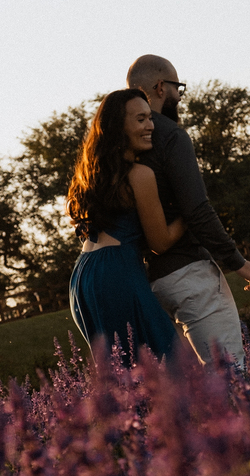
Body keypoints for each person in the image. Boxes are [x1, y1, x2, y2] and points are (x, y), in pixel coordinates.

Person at [126, 55, 250, 367]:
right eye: (177, 87)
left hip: (151, 281)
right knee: (230, 374)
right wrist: (237, 261)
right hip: (189, 274)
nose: (179, 95)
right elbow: (197, 209)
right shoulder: (170, 134)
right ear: (161, 87)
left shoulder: (121, 143)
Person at [66, 88, 184, 363]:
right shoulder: (139, 175)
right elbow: (161, 242)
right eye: (140, 119)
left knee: (123, 375)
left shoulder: (92, 175)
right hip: (116, 272)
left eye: (150, 118)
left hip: (84, 275)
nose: (150, 126)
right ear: (119, 127)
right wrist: (190, 214)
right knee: (168, 363)